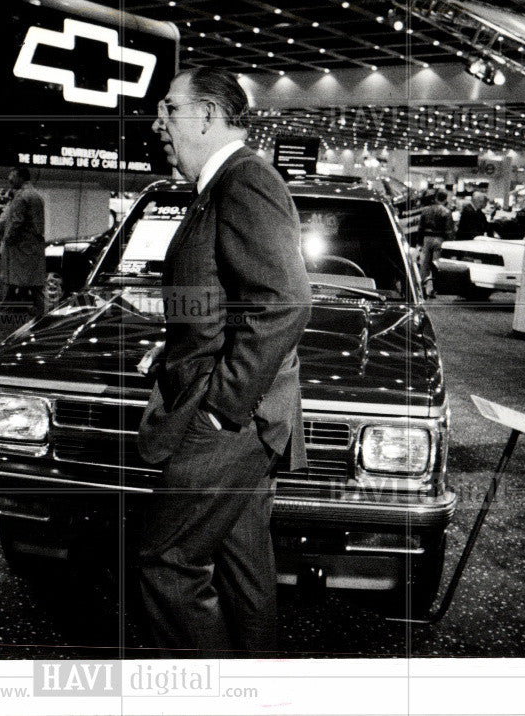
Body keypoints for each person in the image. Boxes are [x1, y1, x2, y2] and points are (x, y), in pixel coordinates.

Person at [136, 67, 312, 655]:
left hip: (231, 424)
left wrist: (221, 408)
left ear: (208, 115)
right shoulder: (223, 185)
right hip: (248, 421)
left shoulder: (244, 181)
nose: (158, 122)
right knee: (242, 565)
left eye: (169, 108)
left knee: (168, 563)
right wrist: (179, 346)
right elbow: (232, 299)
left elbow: (285, 301)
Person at [0, 167, 46, 317]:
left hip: (20, 247)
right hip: (34, 246)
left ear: (21, 177)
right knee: (35, 283)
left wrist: (7, 239)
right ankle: (39, 312)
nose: (9, 179)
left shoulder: (22, 197)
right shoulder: (36, 195)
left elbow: (16, 222)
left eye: (12, 176)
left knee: (11, 279)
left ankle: (7, 311)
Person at [417, 188, 455, 296]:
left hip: (426, 239)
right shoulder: (447, 212)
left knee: (424, 265)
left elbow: (420, 228)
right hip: (439, 239)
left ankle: (422, 287)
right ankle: (434, 288)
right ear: (445, 199)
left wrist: (419, 242)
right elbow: (449, 230)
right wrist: (450, 243)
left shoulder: (425, 210)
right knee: (436, 265)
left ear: (435, 198)